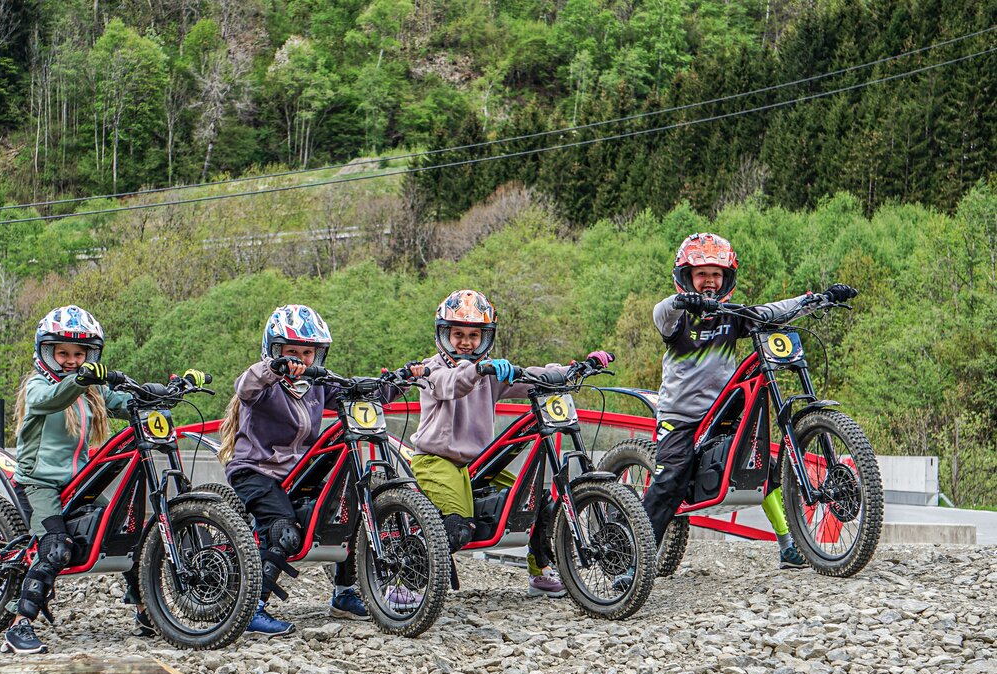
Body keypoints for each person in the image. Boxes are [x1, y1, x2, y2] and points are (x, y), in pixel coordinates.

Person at [643, 232, 858, 569]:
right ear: (686, 278)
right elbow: (661, 312)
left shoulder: (733, 316)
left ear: (727, 278)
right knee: (672, 479)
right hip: (680, 417)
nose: (709, 282)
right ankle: (634, 561)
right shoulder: (677, 318)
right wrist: (683, 301)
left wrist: (822, 298)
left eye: (716, 274)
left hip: (722, 412)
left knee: (765, 468)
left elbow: (773, 311)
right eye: (702, 275)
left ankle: (789, 545)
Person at [218, 304, 424, 637]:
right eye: (291, 352)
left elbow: (360, 393)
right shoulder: (263, 384)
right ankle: (251, 606)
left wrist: (399, 380)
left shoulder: (317, 386)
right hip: (256, 470)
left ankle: (344, 594)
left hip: (298, 471)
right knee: (283, 530)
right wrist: (274, 368)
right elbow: (245, 385)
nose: (300, 359)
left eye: (307, 353)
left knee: (352, 508)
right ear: (273, 351)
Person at [409, 289, 614, 596]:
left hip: (478, 463)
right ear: (443, 335)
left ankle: (541, 570)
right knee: (457, 528)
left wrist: (573, 369)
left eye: (474, 335)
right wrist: (478, 369)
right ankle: (408, 579)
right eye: (458, 334)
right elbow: (453, 384)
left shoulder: (491, 372)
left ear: (486, 337)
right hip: (436, 460)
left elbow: (532, 376)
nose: (466, 342)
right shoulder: (431, 370)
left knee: (539, 502)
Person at [2, 305, 141, 655]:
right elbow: (53, 398)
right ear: (45, 351)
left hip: (78, 483)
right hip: (39, 484)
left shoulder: (91, 391)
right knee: (56, 548)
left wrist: (158, 396)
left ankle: (145, 611)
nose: (71, 360)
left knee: (126, 531)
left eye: (79, 354)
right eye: (62, 352)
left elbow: (123, 401)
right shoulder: (38, 387)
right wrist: (80, 380)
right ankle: (20, 624)